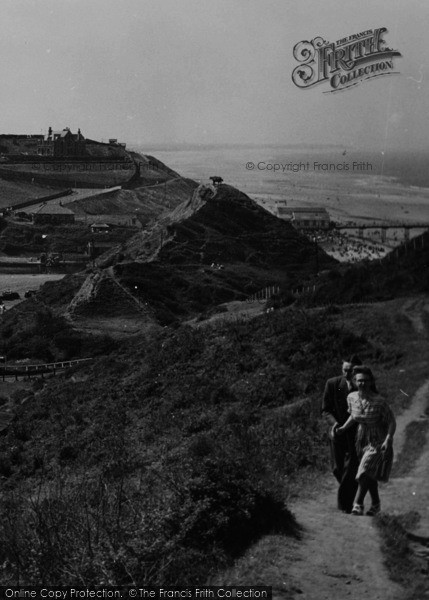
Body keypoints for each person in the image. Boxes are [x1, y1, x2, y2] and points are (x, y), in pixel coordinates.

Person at [336, 366, 396, 516]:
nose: (362, 383)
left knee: (365, 468)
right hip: (361, 438)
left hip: (378, 440)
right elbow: (354, 416)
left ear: (370, 382)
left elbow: (391, 422)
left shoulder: (379, 401)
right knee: (369, 473)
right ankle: (376, 504)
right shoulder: (352, 398)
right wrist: (343, 428)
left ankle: (358, 504)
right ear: (355, 382)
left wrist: (388, 438)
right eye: (359, 381)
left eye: (365, 381)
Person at [321, 355, 362, 513]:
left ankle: (345, 505)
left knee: (351, 468)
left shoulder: (364, 384)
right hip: (337, 433)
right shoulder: (332, 384)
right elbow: (325, 409)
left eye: (350, 370)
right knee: (337, 469)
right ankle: (349, 491)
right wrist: (335, 424)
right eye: (345, 370)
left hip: (357, 434)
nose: (347, 373)